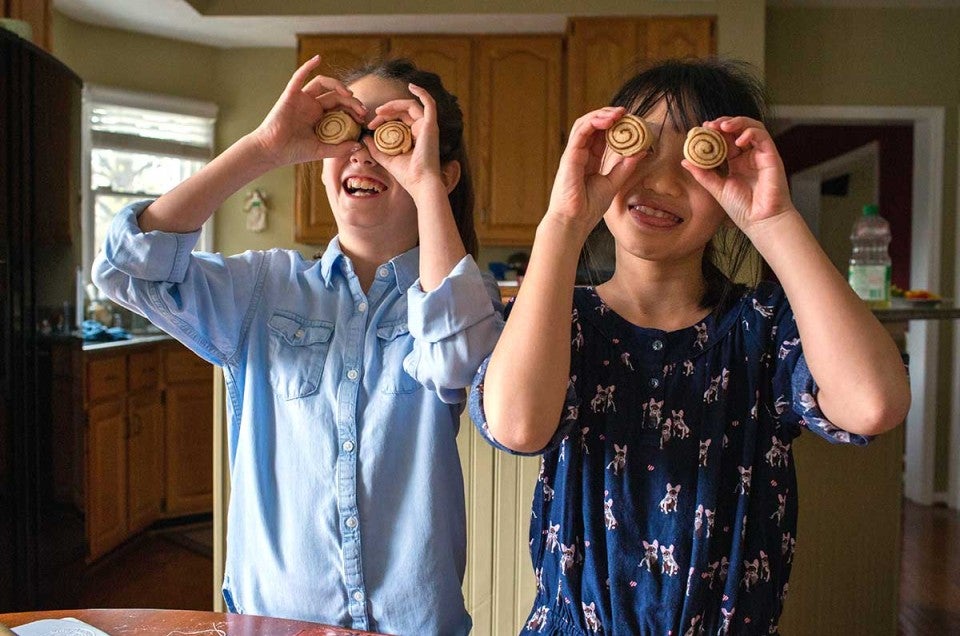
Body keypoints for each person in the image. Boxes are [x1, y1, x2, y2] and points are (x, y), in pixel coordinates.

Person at [469, 58, 910, 635]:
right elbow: (518, 426)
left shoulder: (764, 326)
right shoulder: (562, 320)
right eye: (642, 147)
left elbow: (873, 403)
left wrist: (773, 220)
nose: (663, 181)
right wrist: (563, 221)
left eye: (695, 158)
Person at [93, 55, 504, 635]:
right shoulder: (264, 288)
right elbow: (124, 269)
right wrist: (263, 147)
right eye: (349, 131)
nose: (365, 150)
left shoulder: (461, 295)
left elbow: (458, 359)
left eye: (395, 137)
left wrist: (426, 180)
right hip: (274, 624)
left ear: (443, 170)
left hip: (413, 626)